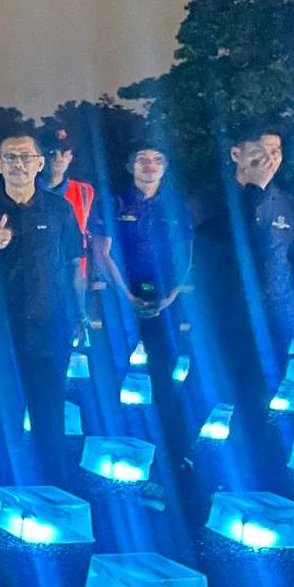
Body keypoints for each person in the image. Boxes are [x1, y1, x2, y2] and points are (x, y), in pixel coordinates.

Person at [192, 124, 294, 489]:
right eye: (259, 152)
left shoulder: (290, 204)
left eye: (276, 153)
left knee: (258, 398)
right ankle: (182, 465)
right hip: (224, 318)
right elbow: (220, 240)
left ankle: (246, 475)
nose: (269, 160)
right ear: (237, 154)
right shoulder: (211, 198)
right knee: (206, 395)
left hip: (274, 318)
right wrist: (254, 190)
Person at [0, 130, 85, 488]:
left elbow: (74, 266)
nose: (19, 164)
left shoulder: (60, 209)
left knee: (49, 416)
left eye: (26, 157)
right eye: (10, 157)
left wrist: (79, 316)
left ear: (40, 163)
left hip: (49, 330)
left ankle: (52, 492)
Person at [92, 141, 195, 478]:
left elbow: (186, 255)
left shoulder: (177, 206)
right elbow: (102, 251)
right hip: (121, 301)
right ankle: (103, 444)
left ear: (165, 166)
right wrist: (126, 296)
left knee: (164, 380)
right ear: (130, 165)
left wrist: (170, 296)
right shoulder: (114, 202)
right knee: (111, 373)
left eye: (157, 159)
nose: (150, 165)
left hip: (164, 303)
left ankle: (171, 456)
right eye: (142, 159)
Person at [39, 126, 98, 279]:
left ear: (70, 157)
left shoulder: (85, 192)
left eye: (64, 152)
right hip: (37, 275)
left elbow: (94, 235)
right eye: (52, 152)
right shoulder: (26, 190)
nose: (59, 158)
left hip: (74, 275)